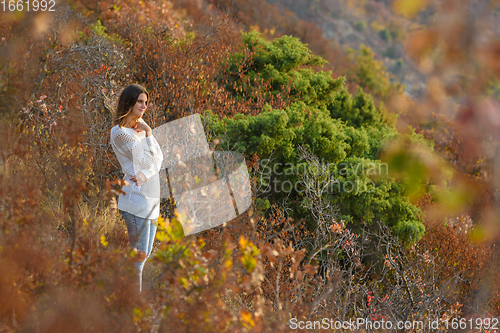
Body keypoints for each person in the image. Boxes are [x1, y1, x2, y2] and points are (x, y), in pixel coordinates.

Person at [109, 84, 164, 293]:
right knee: (138, 259)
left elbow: (159, 158)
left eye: (146, 102)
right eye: (140, 101)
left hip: (151, 199)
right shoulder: (120, 132)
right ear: (129, 102)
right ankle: (132, 306)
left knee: (144, 255)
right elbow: (144, 160)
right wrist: (149, 168)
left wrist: (149, 131)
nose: (144, 106)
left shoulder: (141, 129)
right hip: (135, 199)